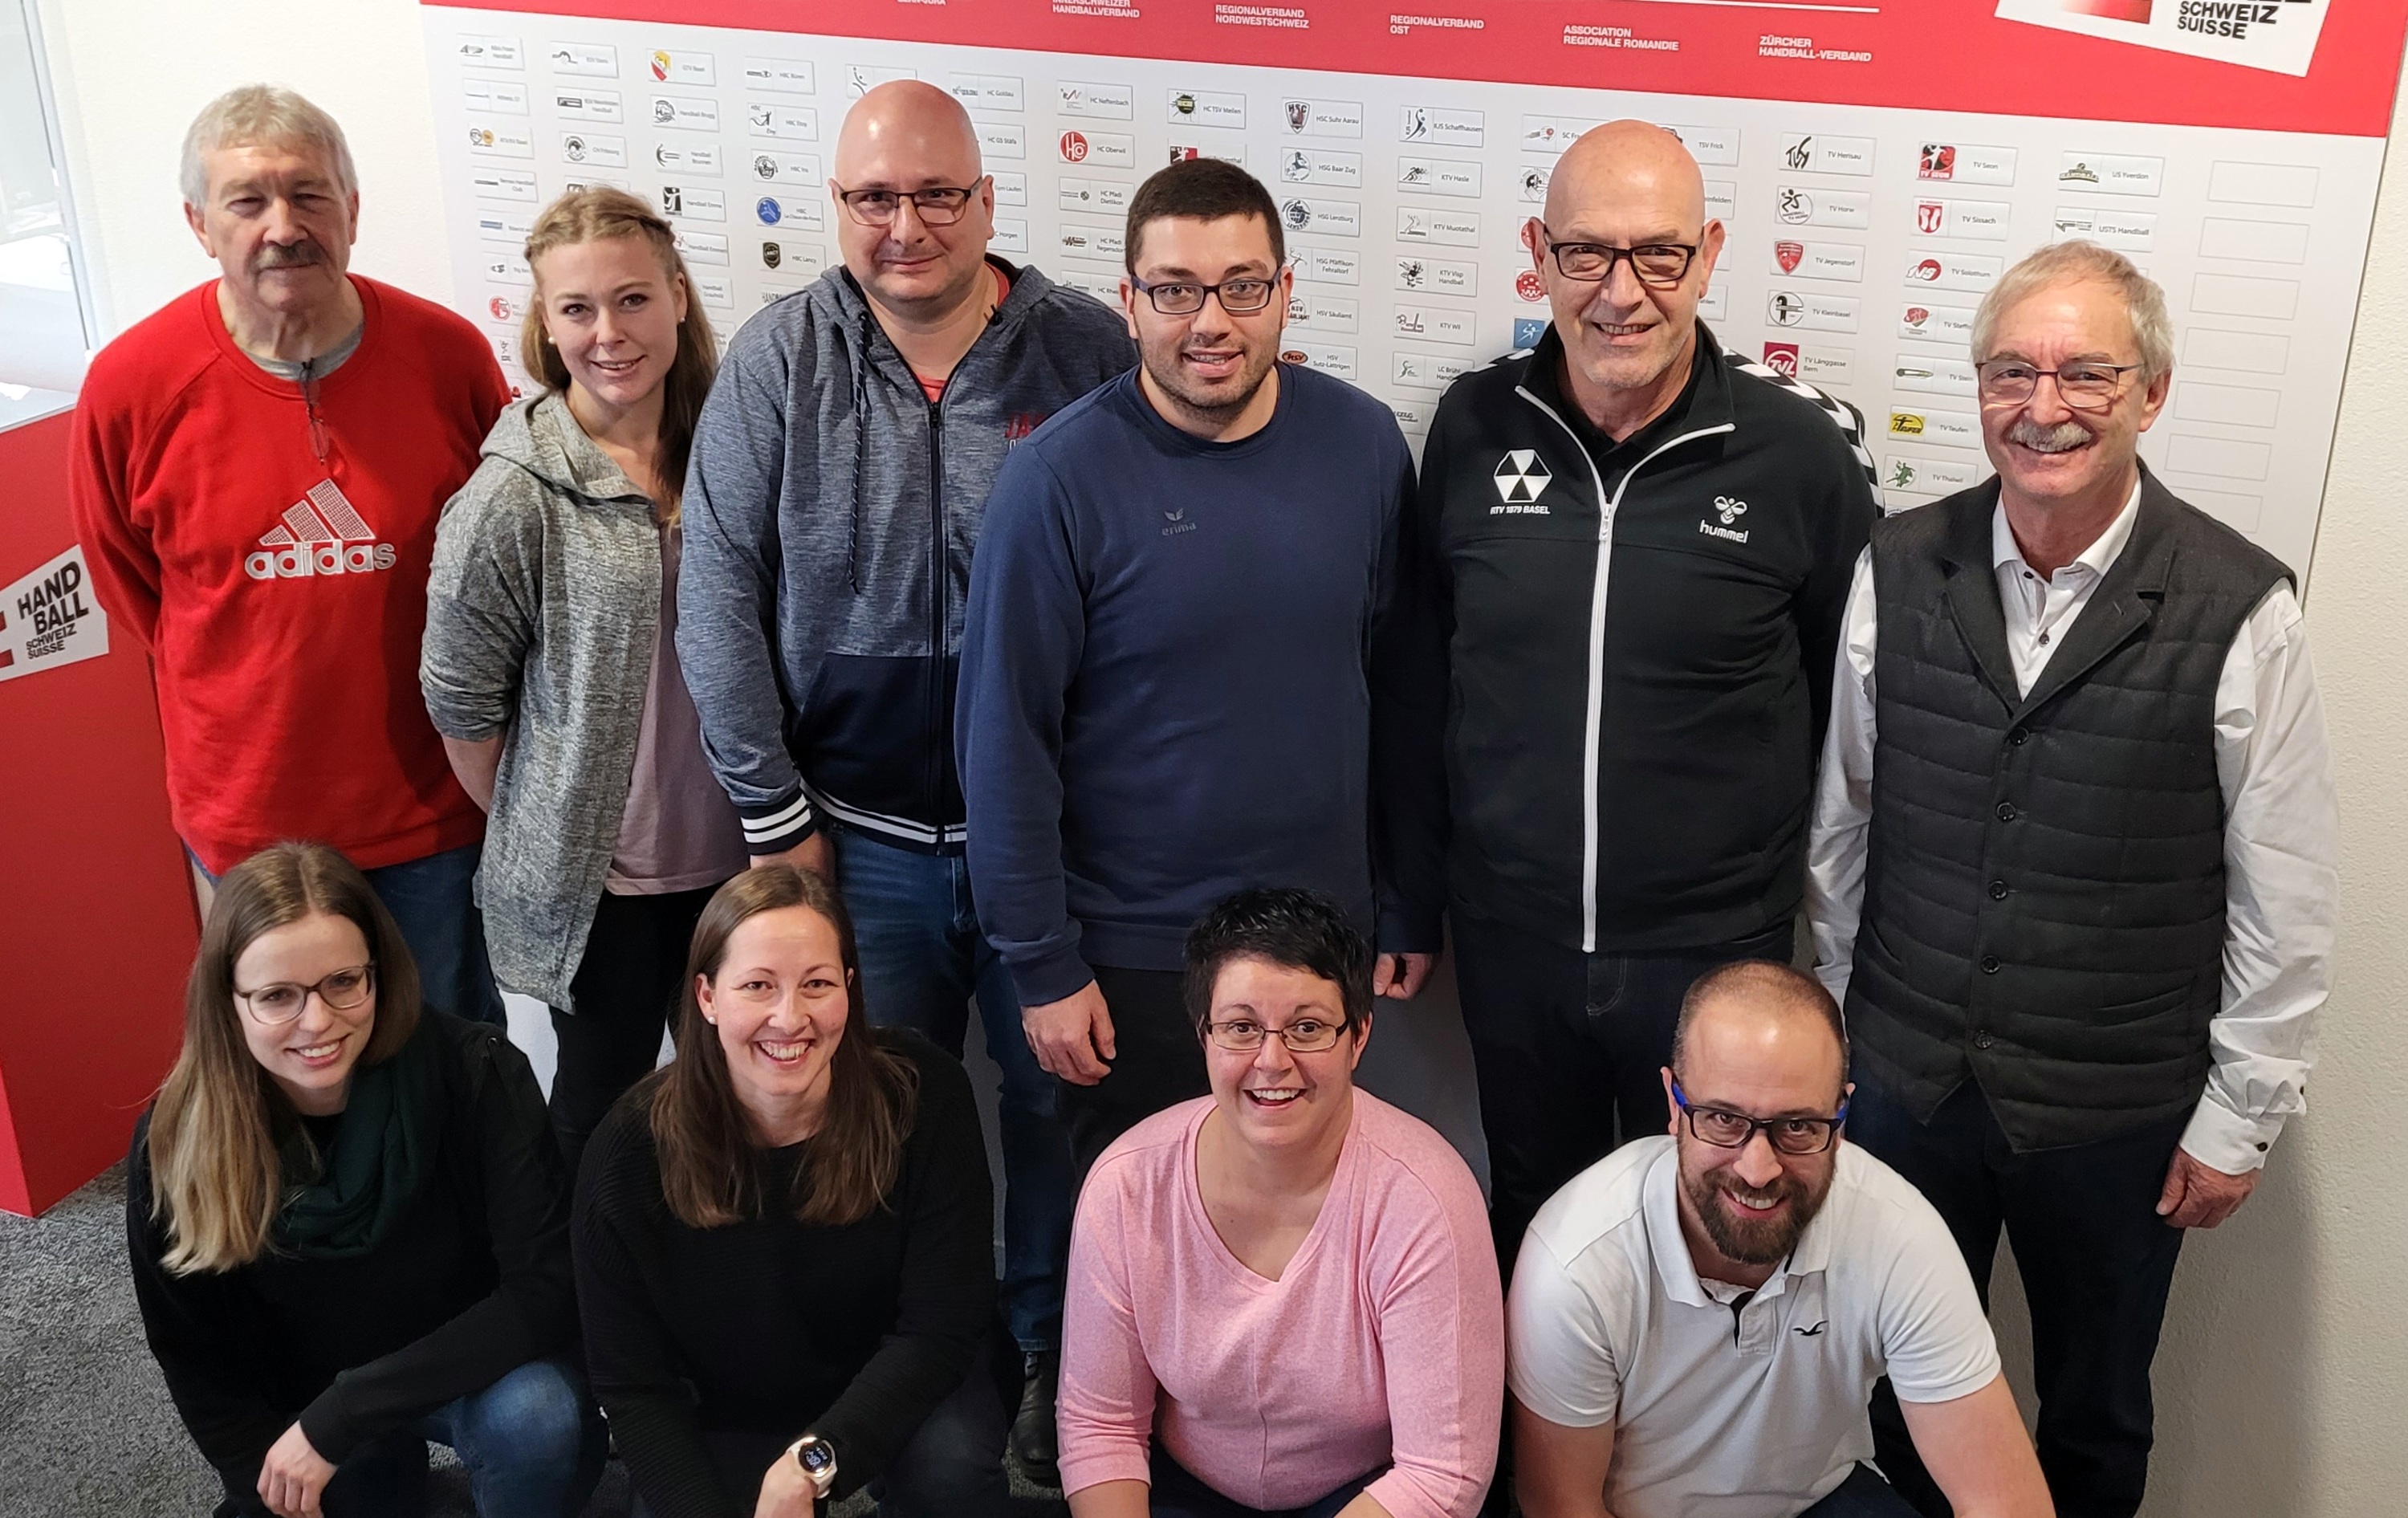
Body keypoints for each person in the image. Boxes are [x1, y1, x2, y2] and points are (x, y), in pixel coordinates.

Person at [1804, 240, 2337, 1518]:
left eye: (2086, 372)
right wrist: (1835, 1030)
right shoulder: (1897, 563)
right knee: (1897, 1391)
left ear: (2150, 393)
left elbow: (2289, 888)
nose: (2043, 405)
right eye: (2012, 371)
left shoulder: (2239, 605)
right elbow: (1842, 822)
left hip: (2117, 1115)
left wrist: (2240, 1112)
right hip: (1906, 1083)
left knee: (2095, 1409)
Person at [677, 79, 1131, 1467]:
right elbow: (715, 593)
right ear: (839, 209)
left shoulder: (1087, 350)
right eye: (875, 197)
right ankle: (892, 1383)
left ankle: (1055, 1354)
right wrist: (775, 818)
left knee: (1065, 1109)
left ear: (989, 202)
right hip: (850, 841)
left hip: (1043, 840)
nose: (906, 224)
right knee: (869, 1114)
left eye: (937, 194)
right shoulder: (778, 357)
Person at [1394, 120, 1879, 1272]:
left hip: (1715, 947)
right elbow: (1421, 677)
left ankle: (1686, 1463)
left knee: (1712, 1238)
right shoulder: (1473, 426)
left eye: (1658, 256)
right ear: (1538, 254)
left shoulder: (1797, 457)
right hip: (1510, 937)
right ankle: (1540, 1459)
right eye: (1586, 255)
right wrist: (1411, 896)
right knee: (1538, 1219)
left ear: (1710, 256)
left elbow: (1854, 716)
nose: (1622, 293)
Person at [957, 157, 1438, 1184]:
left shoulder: (1361, 446)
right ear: (1128, 303)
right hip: (1136, 959)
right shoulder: (1055, 482)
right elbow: (1005, 739)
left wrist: (1405, 898)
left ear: (1284, 292)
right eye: (1175, 290)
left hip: (1324, 939)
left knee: (1301, 1222)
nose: (1209, 320)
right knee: (1138, 1238)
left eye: (1242, 286)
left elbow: (1403, 695)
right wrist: (1041, 964)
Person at [68, 85, 510, 1024]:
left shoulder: (448, 356)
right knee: (283, 1080)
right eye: (247, 200)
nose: (282, 227)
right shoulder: (131, 386)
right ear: (199, 223)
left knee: (449, 1065)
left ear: (352, 210)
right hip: (248, 826)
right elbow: (133, 590)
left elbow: (506, 569)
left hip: (431, 815)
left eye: (309, 195)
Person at [125, 842, 600, 1518]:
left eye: (344, 982)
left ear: (379, 972)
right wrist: (258, 1476)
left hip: (459, 1369)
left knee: (537, 1415)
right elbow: (192, 1352)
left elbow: (547, 1287)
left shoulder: (474, 1072)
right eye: (277, 996)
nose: (317, 1021)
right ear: (228, 1001)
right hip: (303, 1396)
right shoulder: (176, 1139)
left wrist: (347, 1413)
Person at [421, 186, 747, 1174]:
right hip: (603, 882)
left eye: (634, 299)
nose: (609, 333)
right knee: (600, 1108)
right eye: (577, 309)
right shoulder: (512, 490)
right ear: (545, 323)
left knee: (739, 1097)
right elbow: (462, 701)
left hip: (739, 857)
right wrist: (551, 814)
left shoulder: (735, 448)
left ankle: (724, 1292)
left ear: (679, 297)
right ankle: (578, 1306)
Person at [1508, 962, 2052, 1518]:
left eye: (1798, 1125)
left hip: (1817, 1498)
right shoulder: (1575, 1262)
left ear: (1840, 1119)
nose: (1759, 1167)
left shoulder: (1898, 1233)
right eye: (1723, 1118)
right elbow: (1562, 1505)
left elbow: (2007, 1503)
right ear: (1674, 1103)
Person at [571, 865, 1009, 1518]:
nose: (790, 1016)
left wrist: (813, 1462)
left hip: (910, 1373)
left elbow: (940, 1327)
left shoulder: (926, 1095)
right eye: (757, 985)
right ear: (707, 997)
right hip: (730, 1406)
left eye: (817, 984)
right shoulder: (626, 1152)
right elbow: (633, 1387)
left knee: (951, 1466)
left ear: (850, 991)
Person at [1058, 888, 1502, 1518]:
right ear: (1203, 1036)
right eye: (1241, 1027)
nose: (1273, 1060)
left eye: (1308, 1028)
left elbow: (1441, 1472)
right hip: (1183, 1489)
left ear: (1359, 1036)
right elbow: (1101, 1426)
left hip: (1371, 1492)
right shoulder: (1127, 1185)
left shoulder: (1427, 1200)